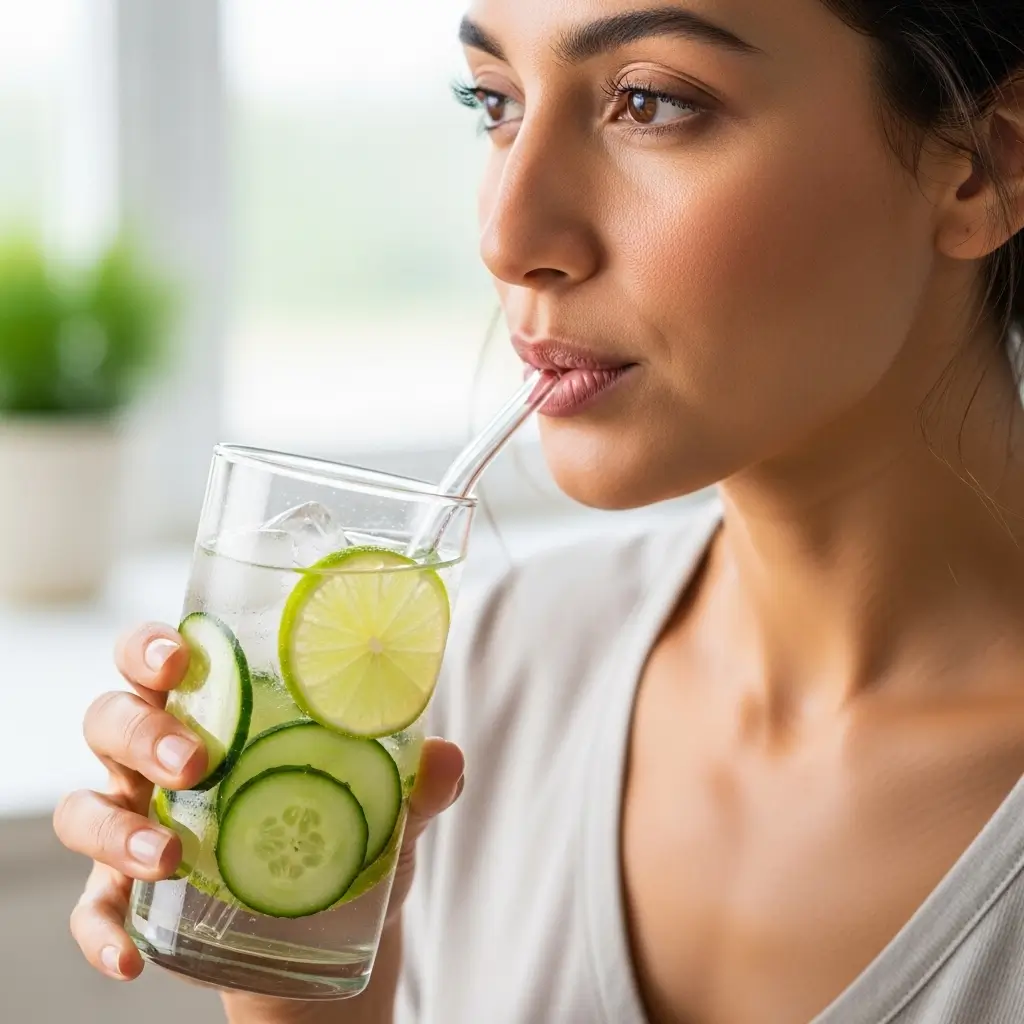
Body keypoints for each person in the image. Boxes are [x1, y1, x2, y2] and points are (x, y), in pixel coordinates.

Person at [54, 1, 1024, 1022]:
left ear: (979, 161)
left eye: (648, 102)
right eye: (495, 102)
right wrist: (298, 986)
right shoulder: (484, 675)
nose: (506, 236)